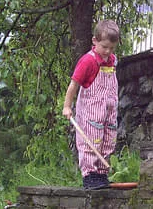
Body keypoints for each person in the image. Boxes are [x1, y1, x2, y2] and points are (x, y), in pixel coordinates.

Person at [63, 20, 119, 190]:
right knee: (90, 142)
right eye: (104, 47)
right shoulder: (88, 61)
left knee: (108, 140)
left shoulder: (112, 61)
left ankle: (101, 174)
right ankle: (89, 174)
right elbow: (73, 85)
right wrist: (67, 106)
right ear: (95, 41)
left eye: (112, 48)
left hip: (109, 109)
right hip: (91, 112)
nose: (107, 51)